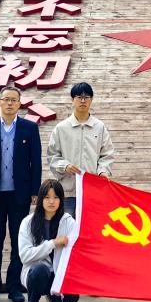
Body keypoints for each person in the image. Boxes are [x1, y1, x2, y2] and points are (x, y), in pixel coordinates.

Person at [0, 87, 42, 302]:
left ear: (20, 104)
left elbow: (35, 162)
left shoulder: (29, 128)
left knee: (18, 241)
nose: (10, 103)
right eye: (6, 99)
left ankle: (14, 286)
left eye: (14, 100)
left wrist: (35, 191)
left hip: (19, 194)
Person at [17, 179, 79, 302]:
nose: (52, 201)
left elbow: (77, 251)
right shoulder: (28, 222)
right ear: (40, 199)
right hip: (36, 275)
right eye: (47, 197)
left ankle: (55, 298)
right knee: (40, 269)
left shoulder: (68, 222)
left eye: (56, 197)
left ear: (61, 200)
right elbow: (25, 256)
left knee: (72, 298)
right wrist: (53, 243)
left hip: (58, 275)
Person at [48, 82, 115, 216]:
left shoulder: (99, 127)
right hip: (69, 192)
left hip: (93, 191)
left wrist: (102, 171)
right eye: (79, 97)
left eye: (86, 97)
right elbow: (52, 156)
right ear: (72, 100)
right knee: (69, 227)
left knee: (92, 227)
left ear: (91, 100)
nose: (83, 101)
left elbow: (107, 154)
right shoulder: (62, 128)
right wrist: (64, 166)